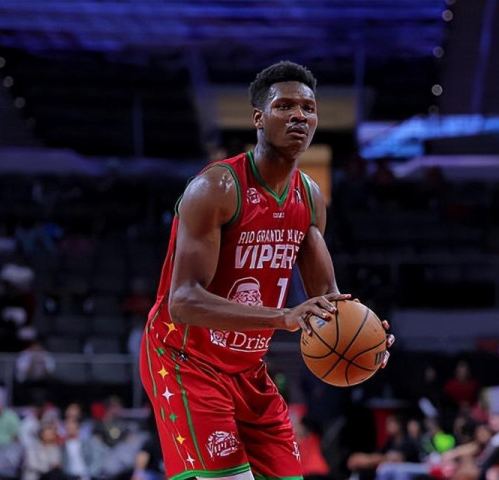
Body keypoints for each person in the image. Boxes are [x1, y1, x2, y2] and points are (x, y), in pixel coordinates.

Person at [139, 61, 394, 480]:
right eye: (285, 106)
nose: (299, 116)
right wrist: (283, 317)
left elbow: (328, 301)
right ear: (259, 118)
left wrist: (365, 335)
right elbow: (181, 302)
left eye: (308, 108)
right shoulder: (217, 187)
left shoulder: (309, 197)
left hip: (247, 368)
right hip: (187, 360)